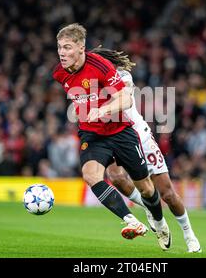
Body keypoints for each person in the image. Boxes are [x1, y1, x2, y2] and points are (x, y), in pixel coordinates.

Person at [53, 23, 171, 250]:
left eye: (67, 47)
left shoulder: (101, 65)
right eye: (59, 47)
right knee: (90, 175)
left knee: (146, 188)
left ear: (81, 48)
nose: (62, 53)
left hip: (120, 132)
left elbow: (126, 100)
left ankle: (160, 222)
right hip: (92, 134)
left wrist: (103, 109)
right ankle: (131, 221)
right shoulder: (59, 73)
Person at [92, 47, 202, 253]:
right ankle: (151, 212)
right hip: (113, 136)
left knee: (167, 193)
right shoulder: (91, 82)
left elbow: (122, 100)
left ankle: (189, 234)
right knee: (114, 176)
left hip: (138, 136)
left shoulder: (122, 76)